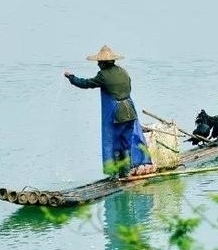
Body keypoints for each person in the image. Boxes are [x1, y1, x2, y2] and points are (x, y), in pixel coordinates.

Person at [63, 45, 156, 178]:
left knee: (116, 142)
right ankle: (138, 166)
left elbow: (86, 83)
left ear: (103, 63)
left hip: (117, 114)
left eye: (99, 62)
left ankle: (121, 172)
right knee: (129, 140)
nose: (98, 64)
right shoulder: (123, 71)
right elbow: (128, 86)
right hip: (130, 110)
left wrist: (71, 77)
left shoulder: (103, 75)